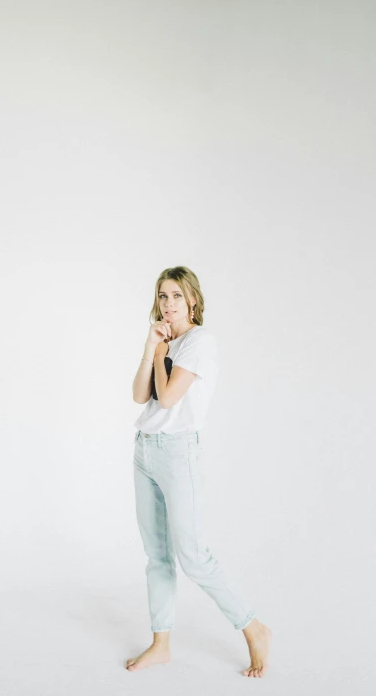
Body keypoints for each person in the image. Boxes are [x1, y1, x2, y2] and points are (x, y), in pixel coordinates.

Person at [127, 266, 272, 677]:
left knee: (193, 557)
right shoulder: (163, 340)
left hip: (177, 455)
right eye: (161, 296)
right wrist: (150, 346)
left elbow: (169, 398)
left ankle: (254, 628)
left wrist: (161, 355)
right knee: (157, 556)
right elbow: (141, 395)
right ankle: (160, 644)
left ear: (191, 299)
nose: (168, 304)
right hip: (145, 451)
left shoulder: (199, 342)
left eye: (175, 296)